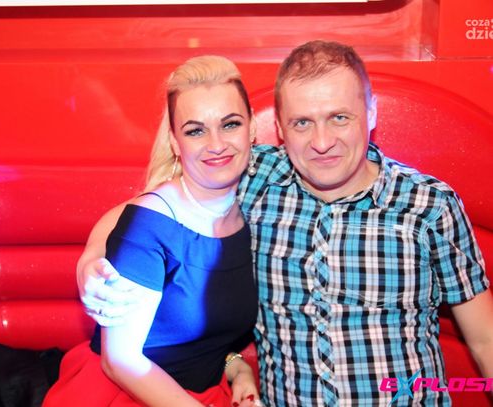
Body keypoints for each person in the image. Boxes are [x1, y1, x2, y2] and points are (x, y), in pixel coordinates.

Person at [76, 41, 493, 406]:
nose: (322, 142)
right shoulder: (254, 178)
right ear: (278, 127)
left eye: (340, 117)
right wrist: (91, 261)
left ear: (371, 113)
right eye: (302, 123)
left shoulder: (428, 205)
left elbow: (484, 339)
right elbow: (151, 211)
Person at [43, 55, 262, 407]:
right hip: (125, 395)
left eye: (230, 124)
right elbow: (121, 361)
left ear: (252, 128)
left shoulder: (257, 204)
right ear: (175, 141)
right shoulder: (152, 223)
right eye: (195, 130)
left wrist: (236, 366)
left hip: (205, 394)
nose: (217, 143)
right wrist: (91, 257)